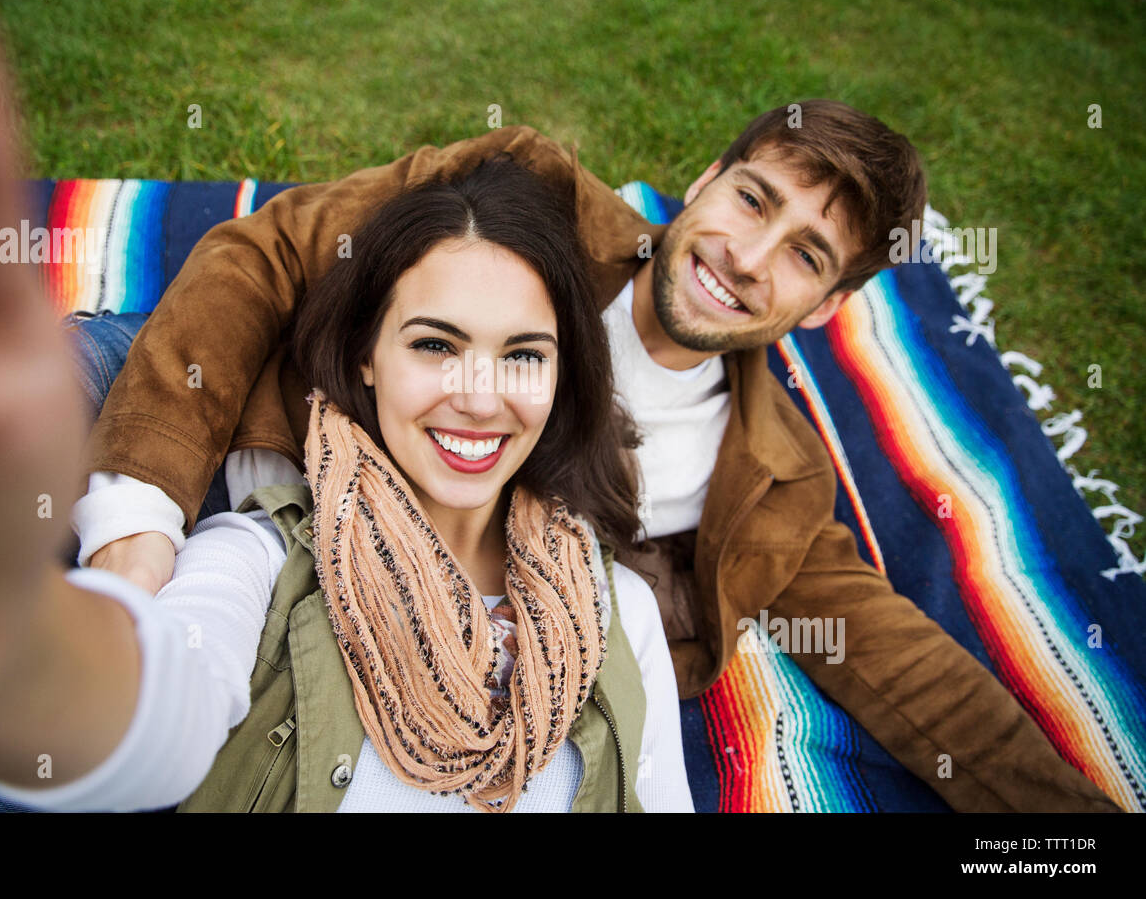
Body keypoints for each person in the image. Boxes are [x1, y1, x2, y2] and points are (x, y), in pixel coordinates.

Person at [75, 113, 1122, 811]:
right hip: (214, 401)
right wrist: (136, 517)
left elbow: (909, 669)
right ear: (704, 181)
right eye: (753, 200)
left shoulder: (767, 481)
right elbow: (268, 250)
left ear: (831, 305)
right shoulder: (528, 186)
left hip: (313, 587)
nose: (745, 258)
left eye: (805, 254)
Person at [0, 156, 692, 812]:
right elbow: (160, 714)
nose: (479, 397)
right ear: (366, 357)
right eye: (435, 345)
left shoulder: (619, 611)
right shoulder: (261, 561)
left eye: (523, 355)